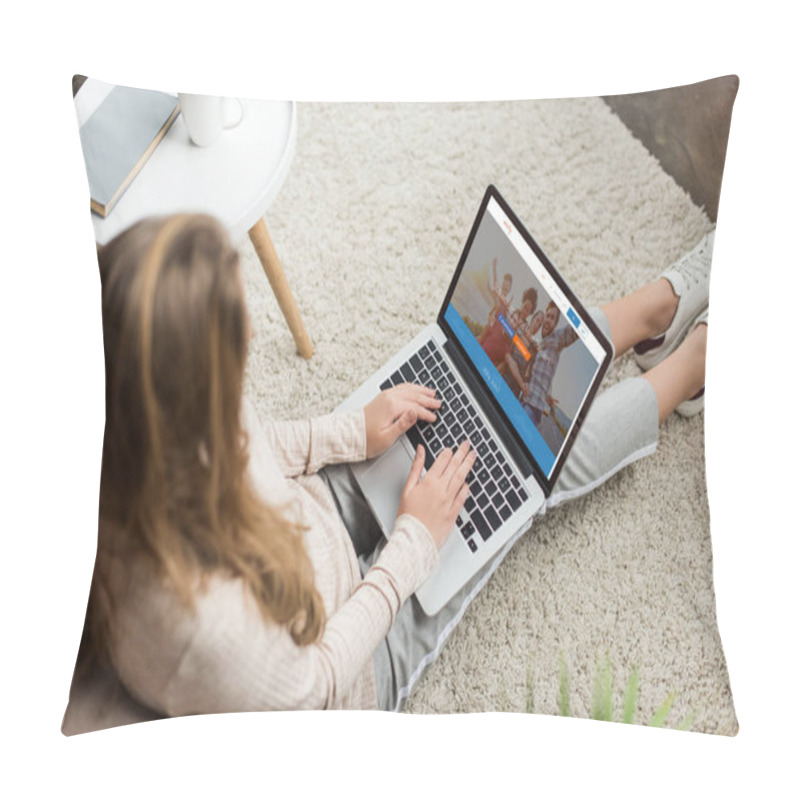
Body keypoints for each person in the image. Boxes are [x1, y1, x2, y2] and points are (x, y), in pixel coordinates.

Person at [74, 214, 713, 719]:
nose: (243, 381)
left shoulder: (131, 408)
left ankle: (651, 313)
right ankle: (691, 367)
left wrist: (349, 432)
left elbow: (250, 444)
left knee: (488, 403)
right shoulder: (198, 628)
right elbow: (318, 683)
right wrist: (411, 544)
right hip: (355, 659)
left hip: (307, 524)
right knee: (523, 472)